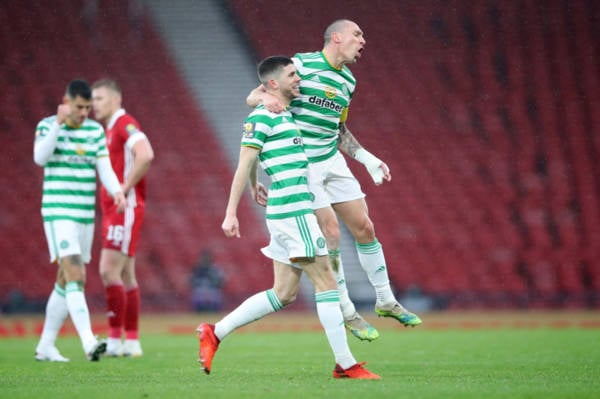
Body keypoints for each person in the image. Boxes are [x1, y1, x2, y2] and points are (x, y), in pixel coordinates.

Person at [197, 56, 380, 379]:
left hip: (286, 212)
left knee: (283, 293)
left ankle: (215, 332)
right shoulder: (265, 116)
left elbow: (253, 158)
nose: (299, 79)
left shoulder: (282, 114)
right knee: (326, 282)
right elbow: (243, 161)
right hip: (294, 212)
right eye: (293, 75)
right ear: (272, 84)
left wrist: (256, 186)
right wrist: (230, 213)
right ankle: (345, 363)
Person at [247, 19, 422, 342]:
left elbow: (337, 129)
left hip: (331, 159)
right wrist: (261, 100)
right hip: (304, 163)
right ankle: (347, 311)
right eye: (358, 34)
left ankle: (385, 300)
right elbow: (255, 94)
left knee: (365, 227)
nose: (363, 40)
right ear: (336, 37)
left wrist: (367, 158)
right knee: (330, 232)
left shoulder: (348, 82)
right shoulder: (302, 64)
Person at [33, 79, 127, 362]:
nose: (85, 112)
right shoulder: (48, 126)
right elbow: (40, 157)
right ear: (66, 102)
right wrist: (58, 125)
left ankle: (45, 346)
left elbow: (105, 168)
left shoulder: (94, 131)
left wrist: (117, 191)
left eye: (88, 107)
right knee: (76, 275)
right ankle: (88, 342)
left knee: (65, 280)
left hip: (85, 216)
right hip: (58, 212)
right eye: (79, 107)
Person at [91, 78, 154, 357]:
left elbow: (146, 154)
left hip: (124, 208)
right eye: (93, 99)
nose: (94, 104)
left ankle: (115, 341)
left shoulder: (124, 123)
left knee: (108, 269)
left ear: (116, 99)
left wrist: (124, 189)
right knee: (127, 274)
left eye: (99, 98)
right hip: (115, 209)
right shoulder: (108, 129)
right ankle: (132, 341)